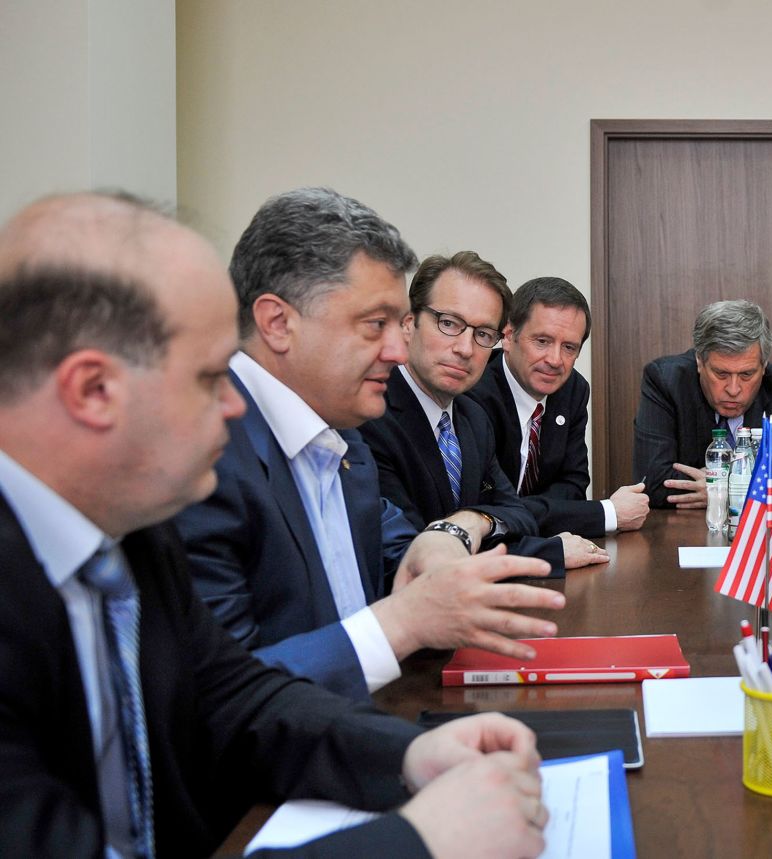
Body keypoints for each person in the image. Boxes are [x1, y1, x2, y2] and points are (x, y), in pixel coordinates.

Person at [0, 192, 548, 858]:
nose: (235, 403)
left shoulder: (127, 531)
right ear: (91, 391)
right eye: (209, 378)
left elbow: (233, 696)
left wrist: (411, 753)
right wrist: (420, 841)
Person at [174, 188, 565, 701]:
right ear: (277, 323)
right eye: (376, 324)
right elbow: (218, 699)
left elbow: (398, 553)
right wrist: (403, 623)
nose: (398, 348)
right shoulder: (198, 456)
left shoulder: (342, 434)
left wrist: (443, 540)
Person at [359, 254, 608, 571]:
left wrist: (476, 520)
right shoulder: (370, 413)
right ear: (409, 323)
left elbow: (516, 514)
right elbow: (416, 553)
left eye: (482, 334)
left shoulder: (471, 418)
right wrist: (543, 552)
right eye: (448, 323)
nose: (465, 348)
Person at [463, 275, 649, 535]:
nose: (555, 360)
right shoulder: (472, 393)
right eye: (542, 341)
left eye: (569, 347)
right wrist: (605, 513)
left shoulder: (572, 389)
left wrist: (538, 513)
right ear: (507, 336)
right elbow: (487, 510)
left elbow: (573, 486)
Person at [634, 299, 772, 508]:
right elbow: (652, 482)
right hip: (684, 530)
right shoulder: (667, 382)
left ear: (764, 365)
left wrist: (723, 490)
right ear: (700, 362)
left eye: (747, 374)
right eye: (721, 373)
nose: (733, 389)